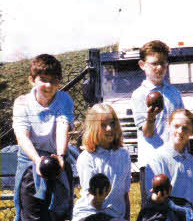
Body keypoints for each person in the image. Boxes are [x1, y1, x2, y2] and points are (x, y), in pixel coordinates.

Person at [12, 54, 74, 221]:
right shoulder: (22, 103)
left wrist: (60, 155)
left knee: (59, 213)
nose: (48, 85)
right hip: (30, 163)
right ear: (32, 80)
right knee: (32, 216)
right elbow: (22, 137)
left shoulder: (64, 100)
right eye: (43, 80)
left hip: (56, 161)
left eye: (53, 80)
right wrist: (38, 160)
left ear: (59, 81)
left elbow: (63, 126)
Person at [144, 109, 193, 221]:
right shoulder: (157, 158)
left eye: (185, 128)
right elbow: (152, 199)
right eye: (176, 126)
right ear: (168, 126)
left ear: (192, 132)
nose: (180, 131)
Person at [72, 104, 131, 221]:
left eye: (112, 123)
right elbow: (92, 201)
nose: (109, 128)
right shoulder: (87, 158)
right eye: (103, 125)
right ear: (93, 128)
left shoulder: (123, 155)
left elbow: (125, 194)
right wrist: (98, 198)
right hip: (90, 213)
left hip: (115, 215)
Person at [131, 40, 184, 167]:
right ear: (142, 65)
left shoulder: (174, 93)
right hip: (151, 160)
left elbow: (182, 125)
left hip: (174, 158)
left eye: (163, 63)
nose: (159, 68)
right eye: (154, 64)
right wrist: (150, 118)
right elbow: (148, 133)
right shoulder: (139, 95)